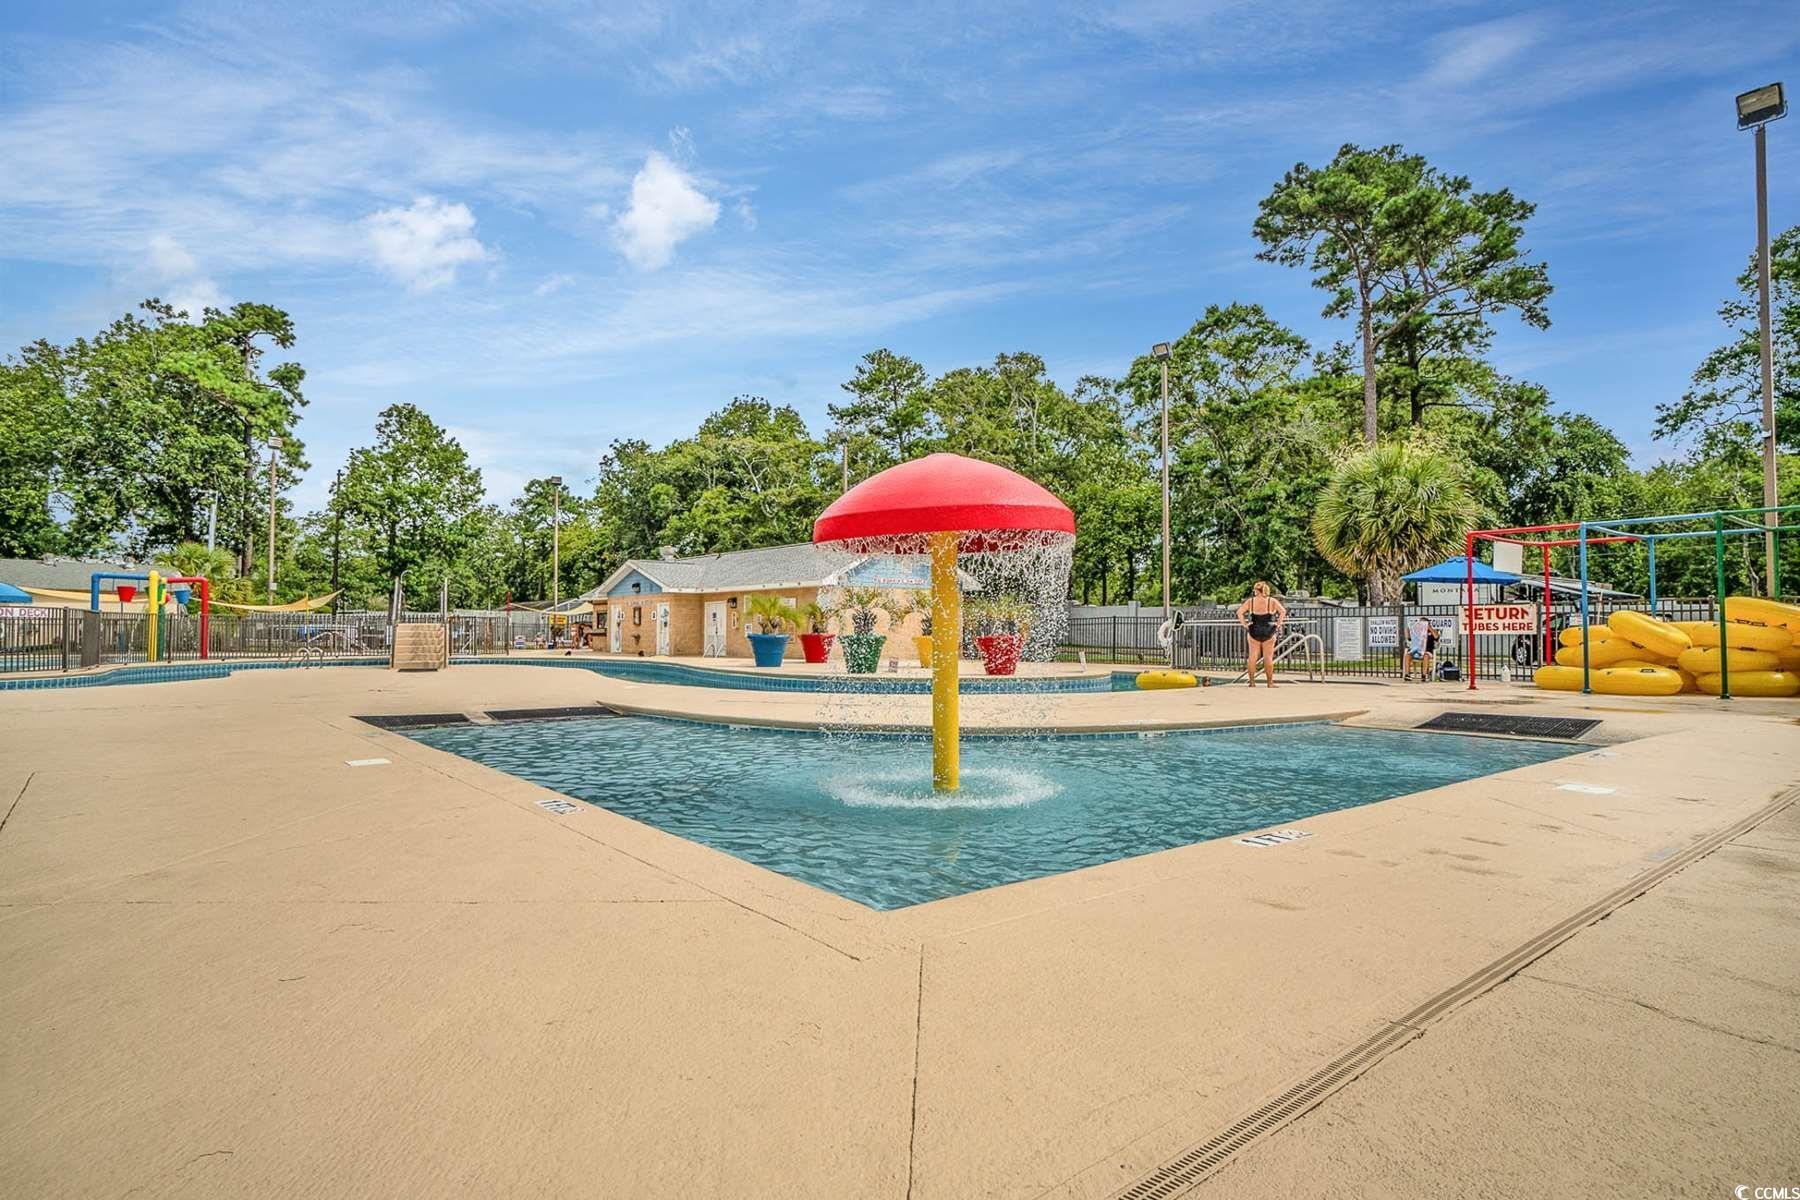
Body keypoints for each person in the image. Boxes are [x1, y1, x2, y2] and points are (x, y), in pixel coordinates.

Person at [1236, 581, 1287, 688]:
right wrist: (1278, 624)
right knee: (1268, 658)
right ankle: (1270, 683)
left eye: (1254, 589)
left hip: (1254, 630)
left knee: (1252, 657)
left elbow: (1239, 612)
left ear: (1256, 590)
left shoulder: (1251, 601)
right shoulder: (1271, 601)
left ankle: (1252, 682)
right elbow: (1283, 611)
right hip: (1268, 630)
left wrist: (1245, 624)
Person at [1404, 615, 1430, 681]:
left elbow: (1436, 637)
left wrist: (1429, 628)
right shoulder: (1415, 632)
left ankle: (1424, 675)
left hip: (1425, 652)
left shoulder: (1430, 633)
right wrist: (1407, 630)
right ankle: (1407, 675)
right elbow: (1408, 638)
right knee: (1407, 655)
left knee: (1426, 656)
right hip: (1415, 651)